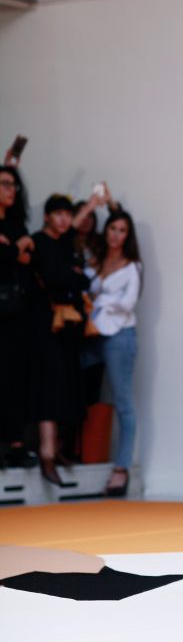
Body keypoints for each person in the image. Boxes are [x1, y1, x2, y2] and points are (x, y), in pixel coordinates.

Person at [30, 195, 92, 485]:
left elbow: (81, 279)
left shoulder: (65, 243)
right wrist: (73, 277)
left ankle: (56, 449)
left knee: (67, 384)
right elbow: (55, 278)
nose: (65, 219)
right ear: (47, 216)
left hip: (68, 325)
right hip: (45, 324)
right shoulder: (39, 242)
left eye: (68, 214)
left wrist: (93, 203)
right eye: (58, 214)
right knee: (48, 386)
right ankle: (46, 452)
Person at [82, 208, 142, 497]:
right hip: (92, 334)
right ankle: (79, 451)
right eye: (112, 228)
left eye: (122, 230)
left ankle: (121, 467)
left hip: (119, 335)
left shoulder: (132, 267)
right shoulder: (95, 259)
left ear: (128, 236)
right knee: (77, 389)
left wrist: (100, 302)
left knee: (123, 402)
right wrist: (100, 201)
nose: (116, 235)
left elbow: (127, 304)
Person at [0, 166, 35, 468]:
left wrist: (12, 249)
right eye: (5, 184)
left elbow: (27, 255)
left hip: (17, 313)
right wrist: (15, 251)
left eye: (13, 184)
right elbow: (12, 256)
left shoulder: (14, 224)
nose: (10, 189)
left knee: (16, 377)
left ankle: (16, 444)